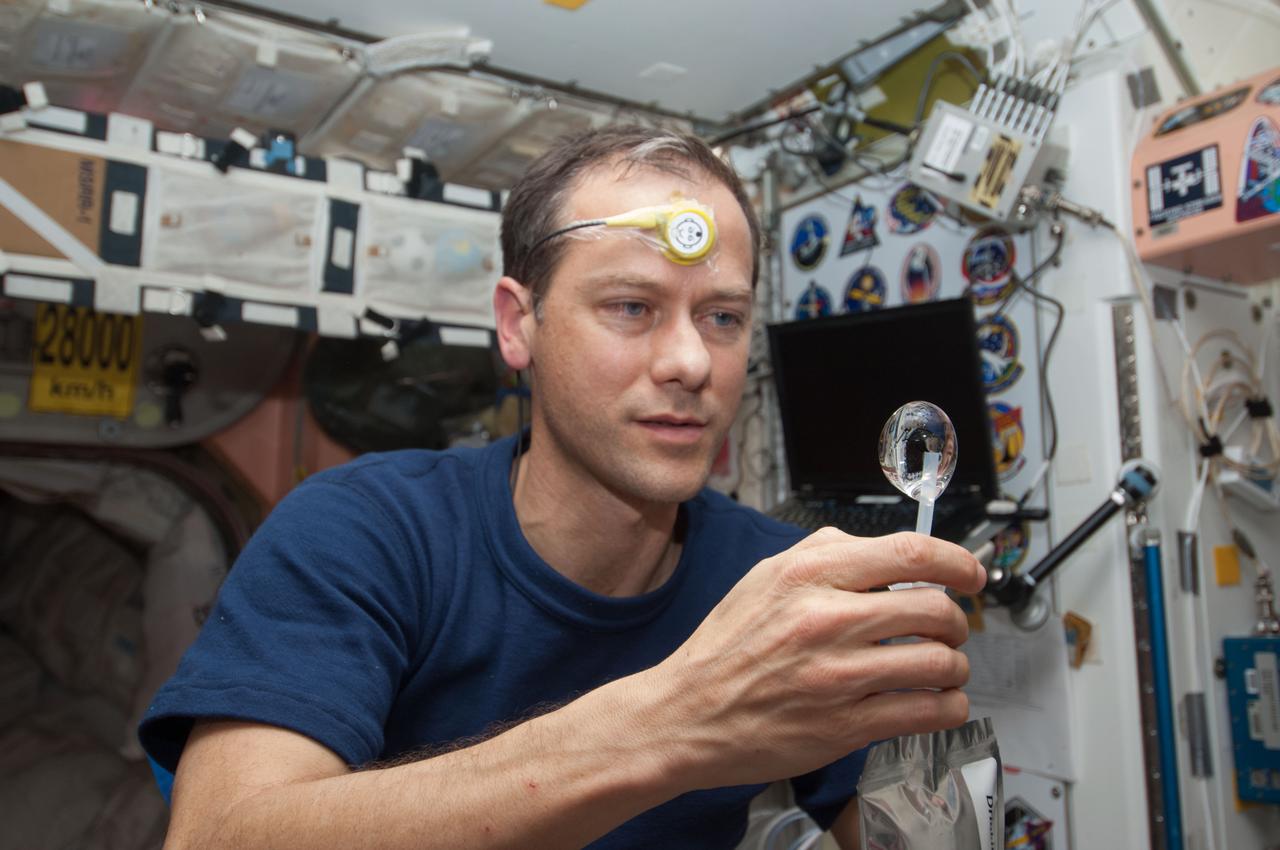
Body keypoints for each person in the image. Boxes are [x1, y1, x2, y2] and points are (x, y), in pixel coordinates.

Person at [140, 125, 986, 849]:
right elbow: (217, 835)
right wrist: (676, 723)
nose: (690, 361)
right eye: (631, 307)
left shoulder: (780, 584)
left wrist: (933, 781)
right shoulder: (362, 533)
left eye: (722, 317)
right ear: (520, 324)